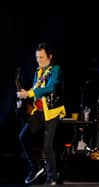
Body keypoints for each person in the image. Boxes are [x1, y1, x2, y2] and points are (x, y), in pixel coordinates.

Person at [17, 42, 66, 186]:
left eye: (42, 58)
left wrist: (30, 92)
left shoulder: (56, 69)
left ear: (50, 57)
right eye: (37, 58)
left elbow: (50, 88)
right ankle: (35, 167)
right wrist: (25, 98)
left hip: (52, 112)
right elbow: (35, 93)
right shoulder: (38, 72)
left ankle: (52, 178)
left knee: (47, 146)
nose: (39, 60)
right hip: (39, 112)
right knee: (23, 137)